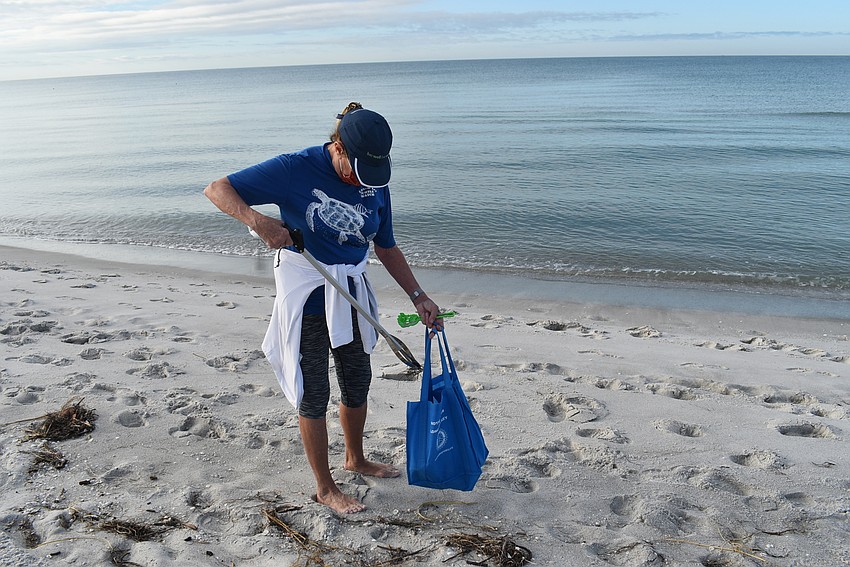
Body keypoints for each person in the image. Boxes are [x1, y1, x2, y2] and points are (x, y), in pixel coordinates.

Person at [203, 102, 441, 514]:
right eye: (355, 169)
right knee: (314, 391)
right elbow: (218, 188)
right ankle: (325, 486)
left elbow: (384, 245)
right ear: (338, 146)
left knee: (358, 380)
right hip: (308, 290)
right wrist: (257, 221)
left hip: (350, 289)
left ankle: (355, 458)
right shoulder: (295, 167)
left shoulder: (374, 178)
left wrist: (418, 295)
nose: (359, 180)